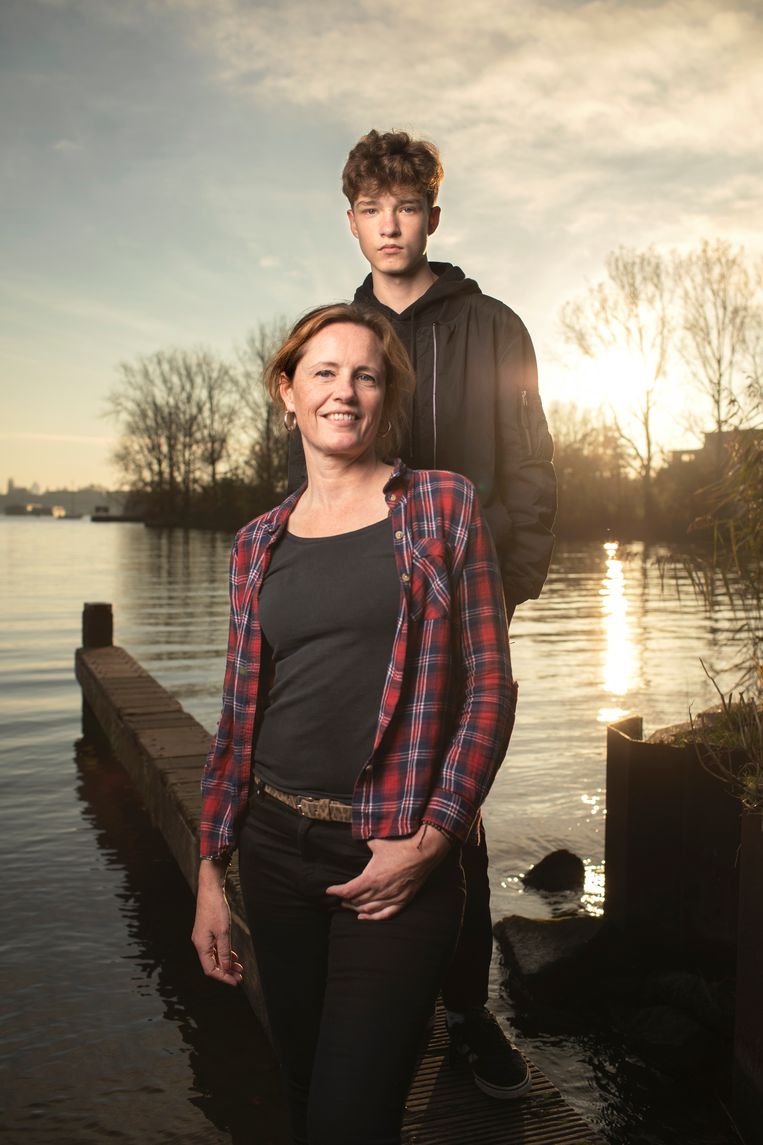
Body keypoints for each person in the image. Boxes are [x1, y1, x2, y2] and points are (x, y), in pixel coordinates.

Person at [192, 303, 516, 1145]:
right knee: (303, 1094)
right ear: (287, 392)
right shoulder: (255, 543)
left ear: (385, 397)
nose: (344, 391)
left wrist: (435, 838)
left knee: (352, 1117)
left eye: (365, 375)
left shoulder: (443, 505)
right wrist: (210, 871)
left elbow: (489, 688)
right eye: (324, 373)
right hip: (274, 848)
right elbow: (237, 716)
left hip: (396, 853)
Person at [288, 130, 556, 1101]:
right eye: (371, 208)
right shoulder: (335, 335)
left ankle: (465, 1010)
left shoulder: (494, 325)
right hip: (362, 606)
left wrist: (503, 584)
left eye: (405, 206)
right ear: (351, 220)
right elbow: (308, 468)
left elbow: (532, 465)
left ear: (432, 216)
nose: (389, 224)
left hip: (465, 603)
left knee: (453, 810)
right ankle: (367, 1000)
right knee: (360, 795)